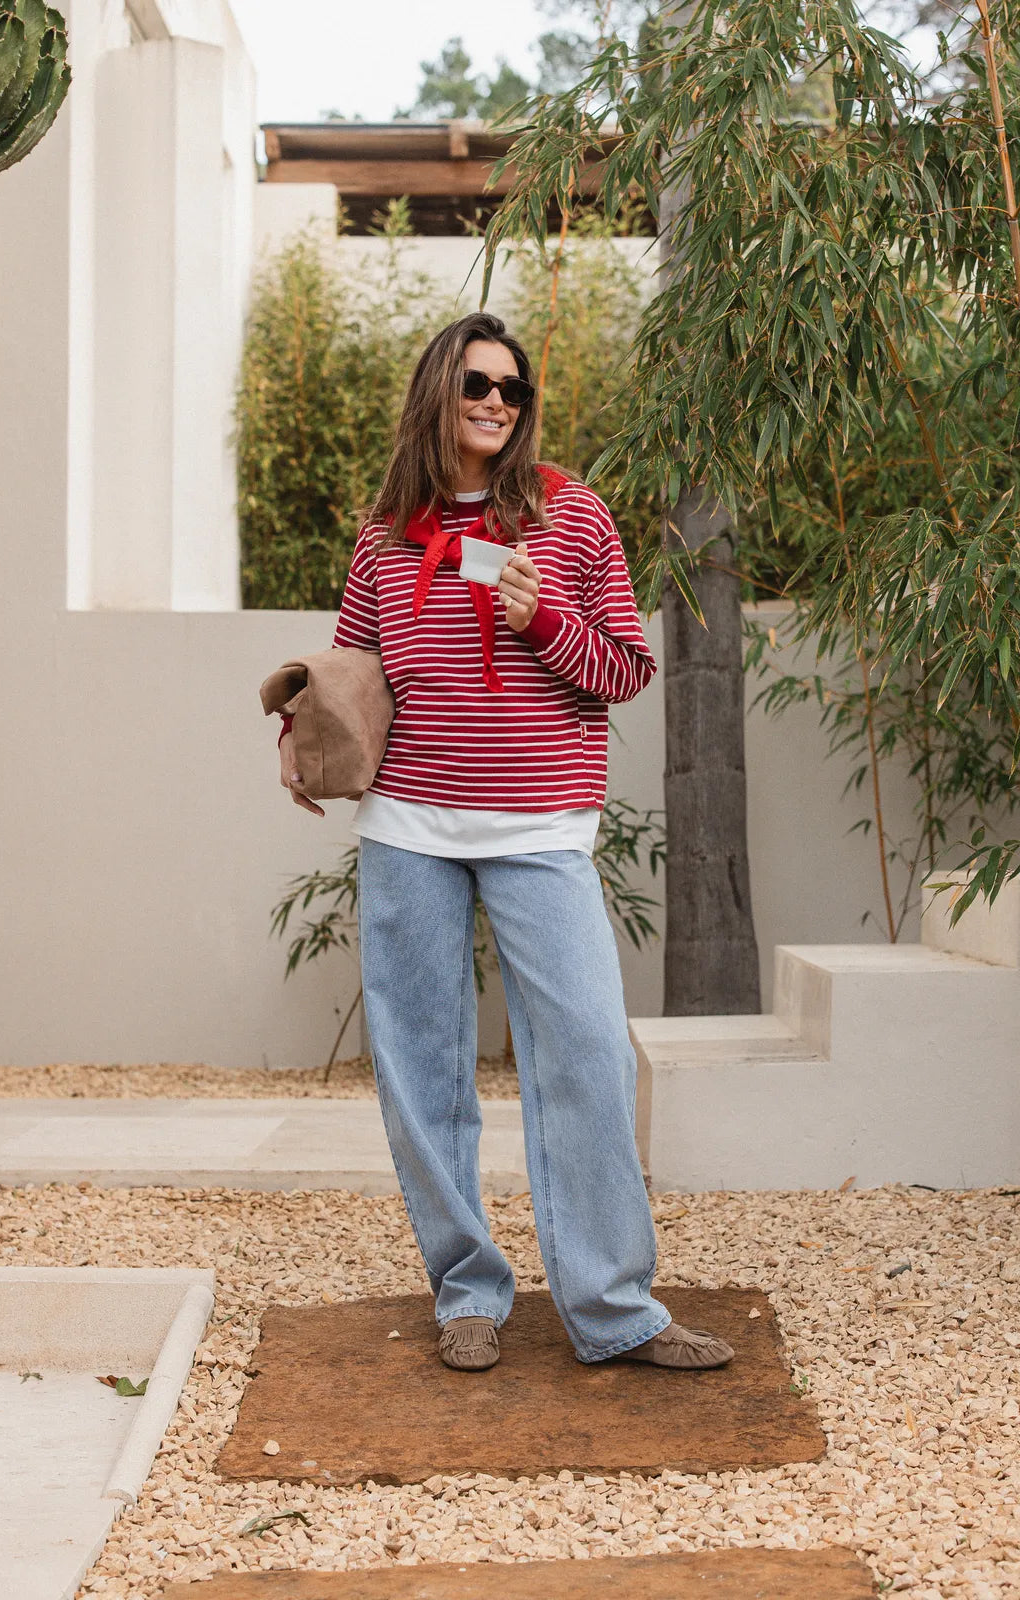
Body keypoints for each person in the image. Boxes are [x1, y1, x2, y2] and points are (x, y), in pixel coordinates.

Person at [282, 311, 733, 1374]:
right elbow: (351, 668)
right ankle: (468, 1291)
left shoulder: (573, 519)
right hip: (408, 829)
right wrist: (300, 737)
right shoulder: (386, 529)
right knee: (421, 1068)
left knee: (583, 1053)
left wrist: (540, 618)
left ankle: (614, 1306)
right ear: (438, 388)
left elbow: (624, 669)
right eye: (477, 382)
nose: (496, 401)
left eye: (514, 389)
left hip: (541, 828)